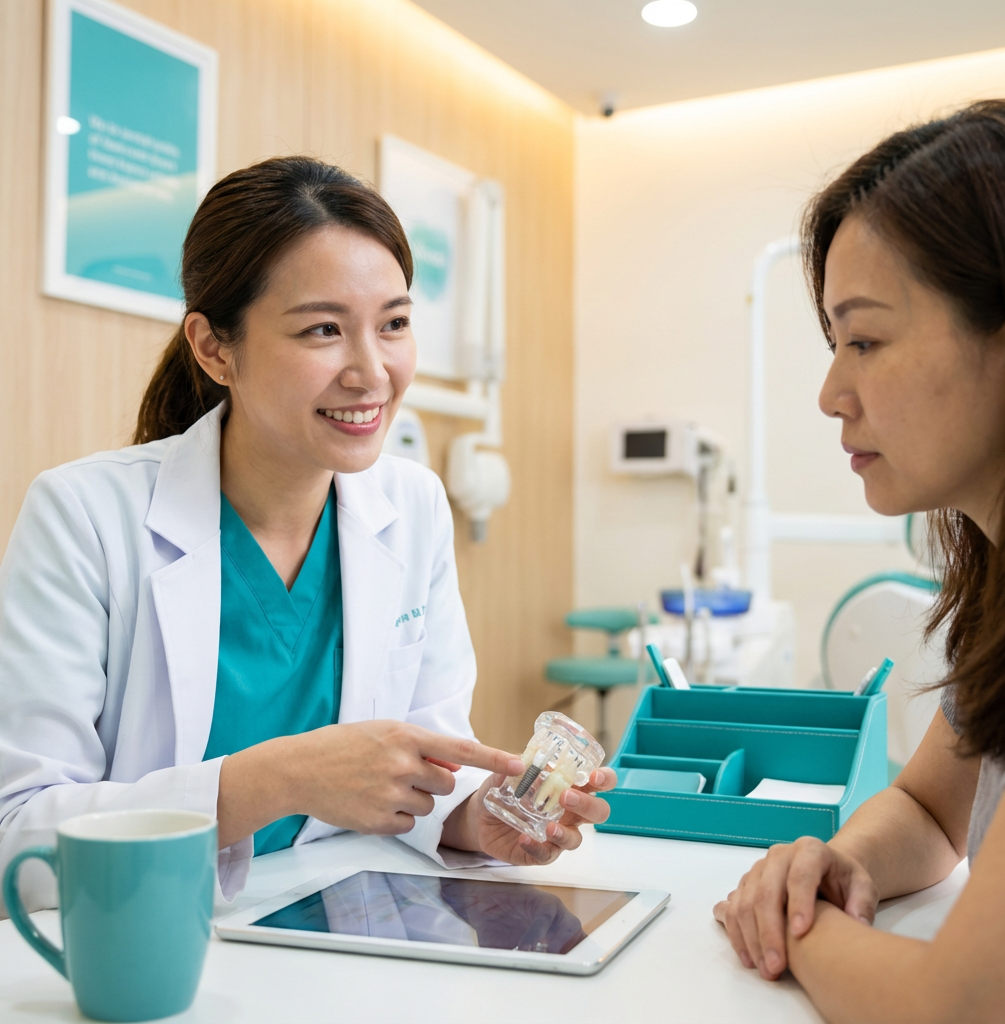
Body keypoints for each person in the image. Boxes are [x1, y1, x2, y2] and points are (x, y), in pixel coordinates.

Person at [0, 157, 615, 914]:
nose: (372, 372)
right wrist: (273, 780)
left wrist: (474, 821)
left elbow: (424, 768)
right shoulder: (84, 515)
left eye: (393, 324)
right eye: (323, 329)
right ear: (214, 347)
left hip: (338, 928)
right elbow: (18, 841)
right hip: (151, 940)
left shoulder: (412, 505)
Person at [713, 100, 1005, 1022]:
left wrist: (797, 929)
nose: (830, 393)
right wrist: (837, 864)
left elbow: (960, 1007)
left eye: (866, 340)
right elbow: (932, 812)